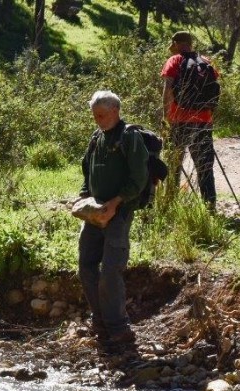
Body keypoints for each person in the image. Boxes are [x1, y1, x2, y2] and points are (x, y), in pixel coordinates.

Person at [77, 91, 148, 352]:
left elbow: (138, 179)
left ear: (116, 111)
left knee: (110, 270)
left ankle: (119, 328)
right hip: (94, 212)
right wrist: (84, 198)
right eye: (95, 115)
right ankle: (100, 323)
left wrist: (115, 204)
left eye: (101, 115)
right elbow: (87, 169)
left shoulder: (130, 137)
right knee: (85, 266)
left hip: (119, 212)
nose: (97, 120)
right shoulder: (97, 137)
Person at [161, 30, 219, 210]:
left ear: (177, 43)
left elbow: (168, 90)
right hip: (203, 120)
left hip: (179, 120)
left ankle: (169, 204)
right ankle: (210, 206)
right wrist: (209, 119)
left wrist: (165, 118)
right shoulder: (207, 63)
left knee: (173, 163)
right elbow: (214, 92)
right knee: (204, 165)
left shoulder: (174, 61)